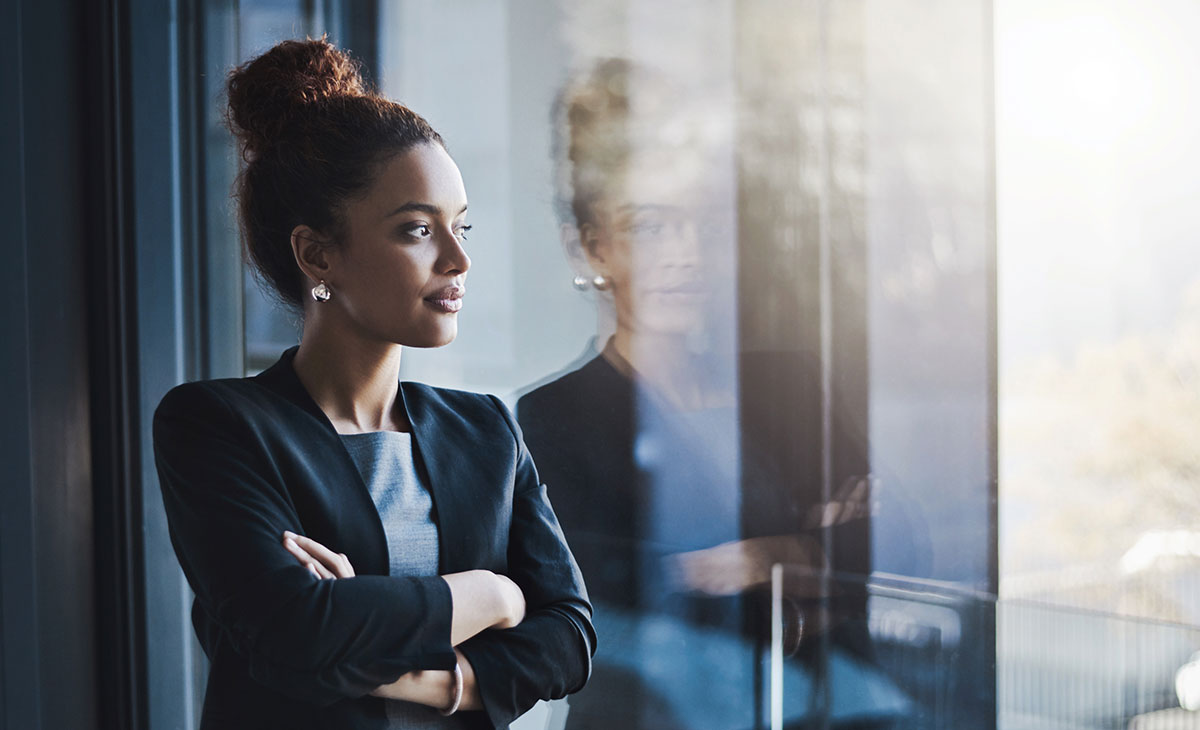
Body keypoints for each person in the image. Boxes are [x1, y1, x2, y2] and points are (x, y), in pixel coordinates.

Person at [151, 38, 594, 730]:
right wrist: (493, 593)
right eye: (418, 229)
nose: (458, 259)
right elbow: (295, 634)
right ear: (318, 253)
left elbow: (569, 637)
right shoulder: (217, 425)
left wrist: (411, 665)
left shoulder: (486, 431)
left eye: (462, 226)